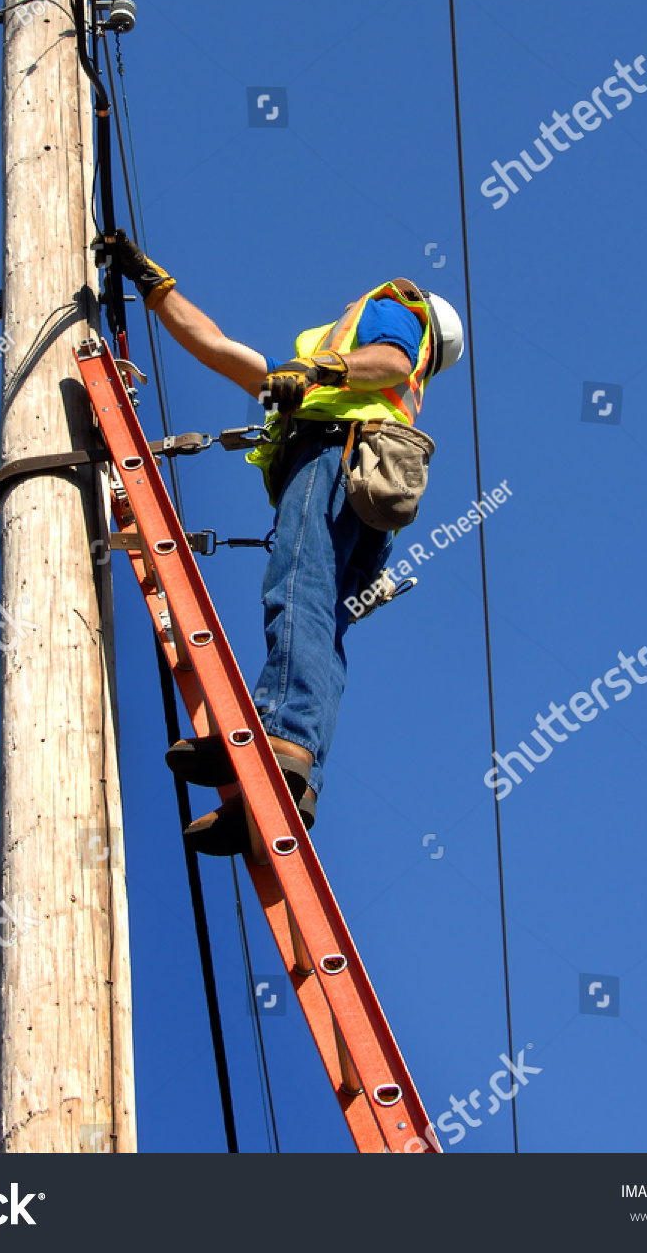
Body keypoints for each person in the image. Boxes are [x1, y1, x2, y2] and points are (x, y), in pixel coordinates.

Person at [93, 230, 463, 856]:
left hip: (335, 457)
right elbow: (229, 356)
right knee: (319, 619)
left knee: (297, 593)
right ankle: (288, 778)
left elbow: (392, 362)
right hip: (359, 481)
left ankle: (282, 738)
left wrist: (320, 367)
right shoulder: (321, 382)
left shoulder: (395, 305)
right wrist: (157, 290)